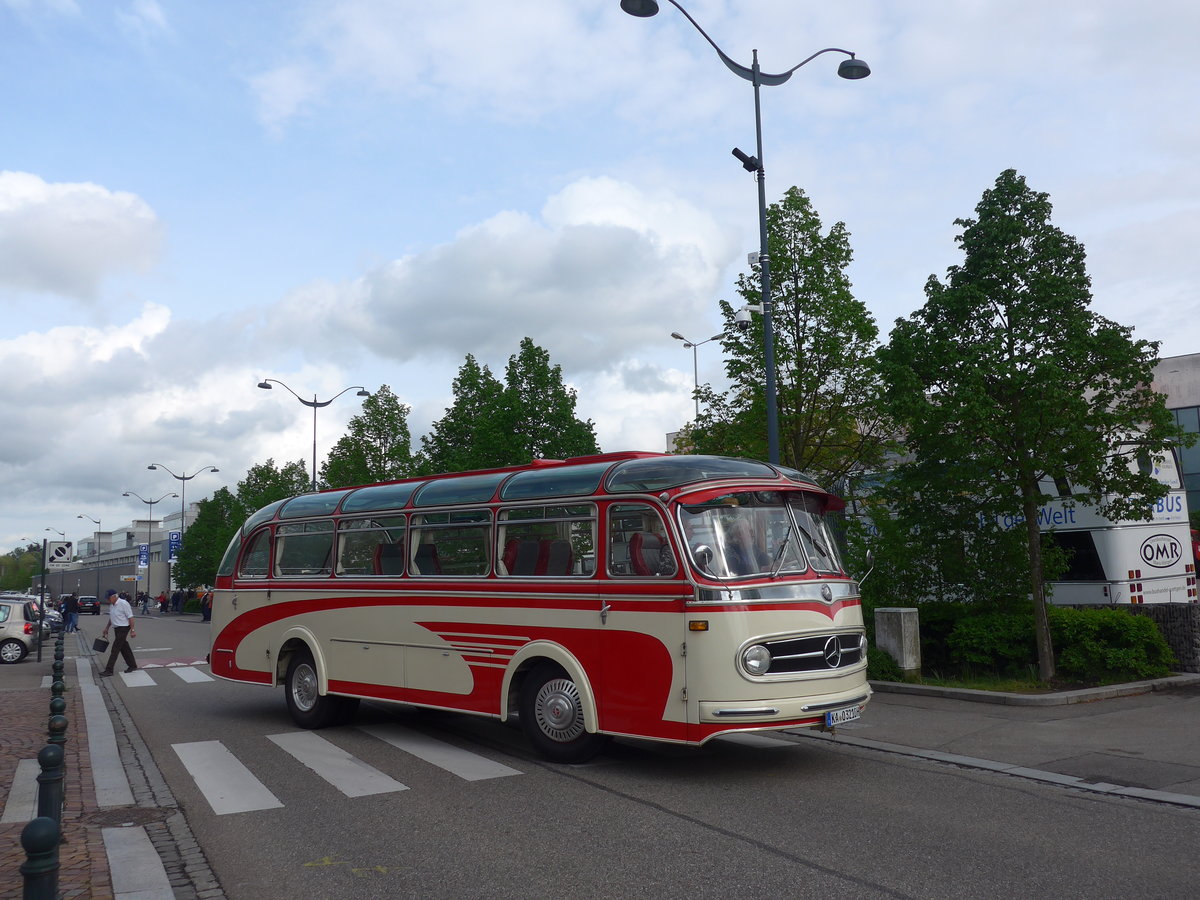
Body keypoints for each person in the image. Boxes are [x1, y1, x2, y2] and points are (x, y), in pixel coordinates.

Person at [99, 588, 138, 676]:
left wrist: (132, 630)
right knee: (124, 648)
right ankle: (132, 665)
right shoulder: (112, 605)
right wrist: (107, 628)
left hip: (124, 627)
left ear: (114, 596)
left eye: (109, 598)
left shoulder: (123, 603)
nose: (108, 600)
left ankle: (109, 670)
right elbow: (111, 617)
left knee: (115, 649)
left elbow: (130, 617)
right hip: (116, 628)